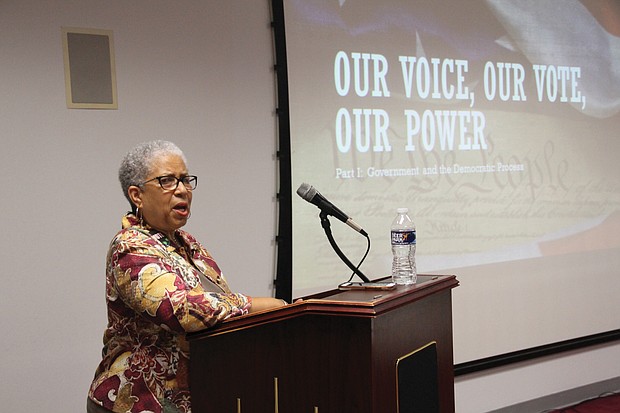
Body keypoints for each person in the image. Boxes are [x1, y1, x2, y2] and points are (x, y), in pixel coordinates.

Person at [87, 140, 286, 413]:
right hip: (137, 400)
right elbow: (180, 310)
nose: (182, 190)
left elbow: (218, 304)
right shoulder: (129, 245)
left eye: (185, 180)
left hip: (192, 395)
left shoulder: (188, 244)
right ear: (137, 195)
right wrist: (254, 305)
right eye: (167, 181)